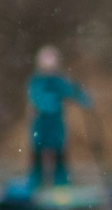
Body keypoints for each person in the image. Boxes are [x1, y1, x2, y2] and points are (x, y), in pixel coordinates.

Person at [25, 46, 91, 187]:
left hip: (56, 125)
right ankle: (36, 182)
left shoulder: (60, 82)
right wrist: (49, 102)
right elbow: (37, 98)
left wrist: (83, 97)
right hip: (40, 124)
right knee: (37, 153)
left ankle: (61, 183)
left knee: (60, 153)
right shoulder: (36, 81)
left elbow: (73, 92)